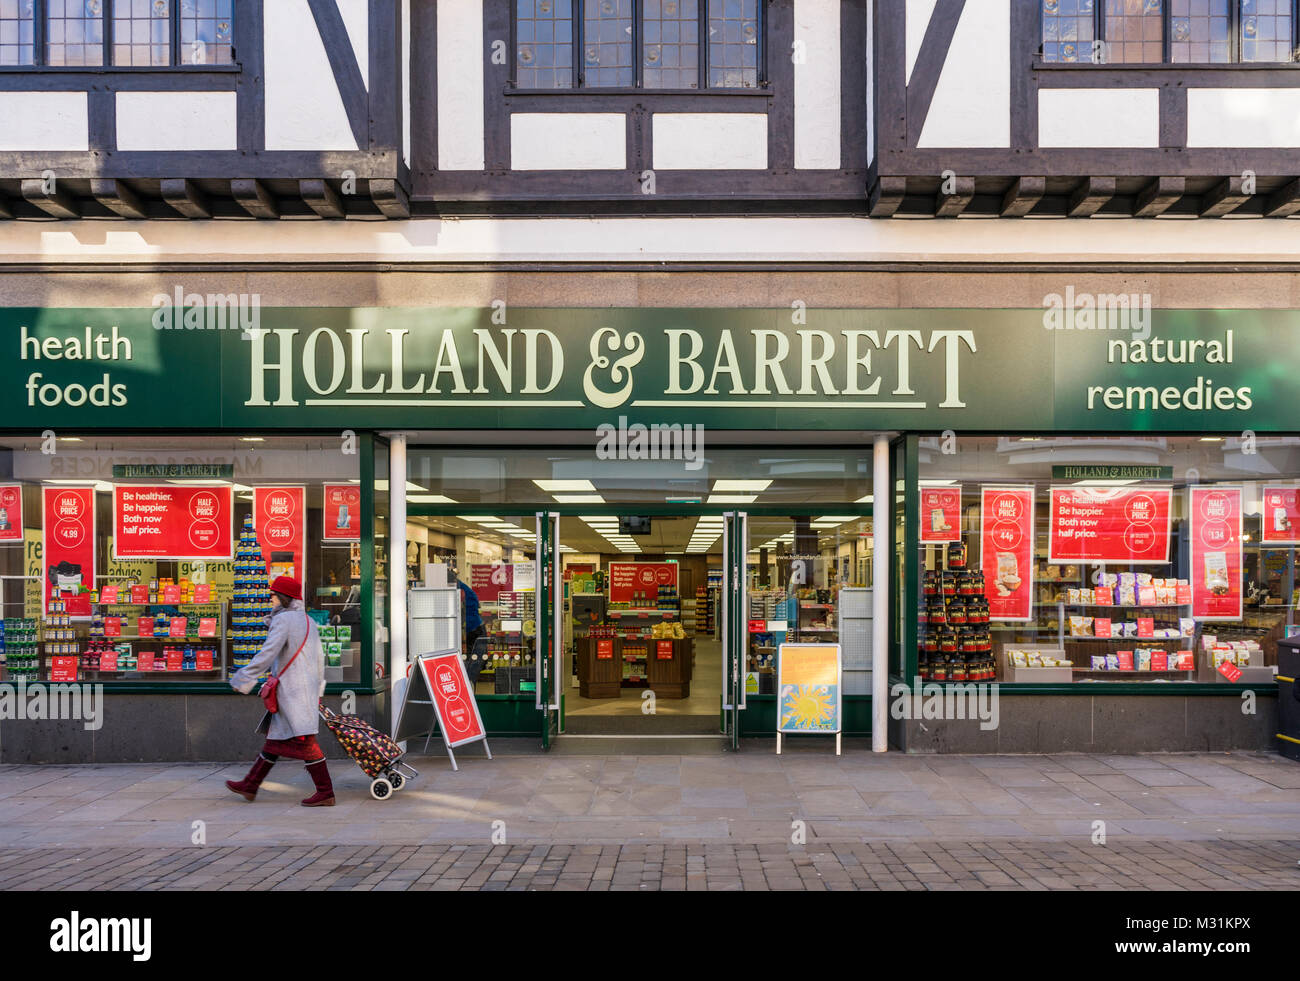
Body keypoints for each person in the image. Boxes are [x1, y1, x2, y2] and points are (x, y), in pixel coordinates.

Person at [226, 575, 334, 807]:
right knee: (275, 740)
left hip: (291, 692)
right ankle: (250, 785)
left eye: (274, 595)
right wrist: (318, 690)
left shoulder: (284, 621)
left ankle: (326, 792)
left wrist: (244, 678)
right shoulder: (308, 620)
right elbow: (319, 659)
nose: (271, 598)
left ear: (285, 597)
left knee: (306, 744)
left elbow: (267, 653)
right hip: (303, 692)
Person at [458, 578, 484, 650]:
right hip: (474, 627)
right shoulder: (464, 588)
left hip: (473, 628)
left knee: (474, 655)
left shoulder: (461, 590)